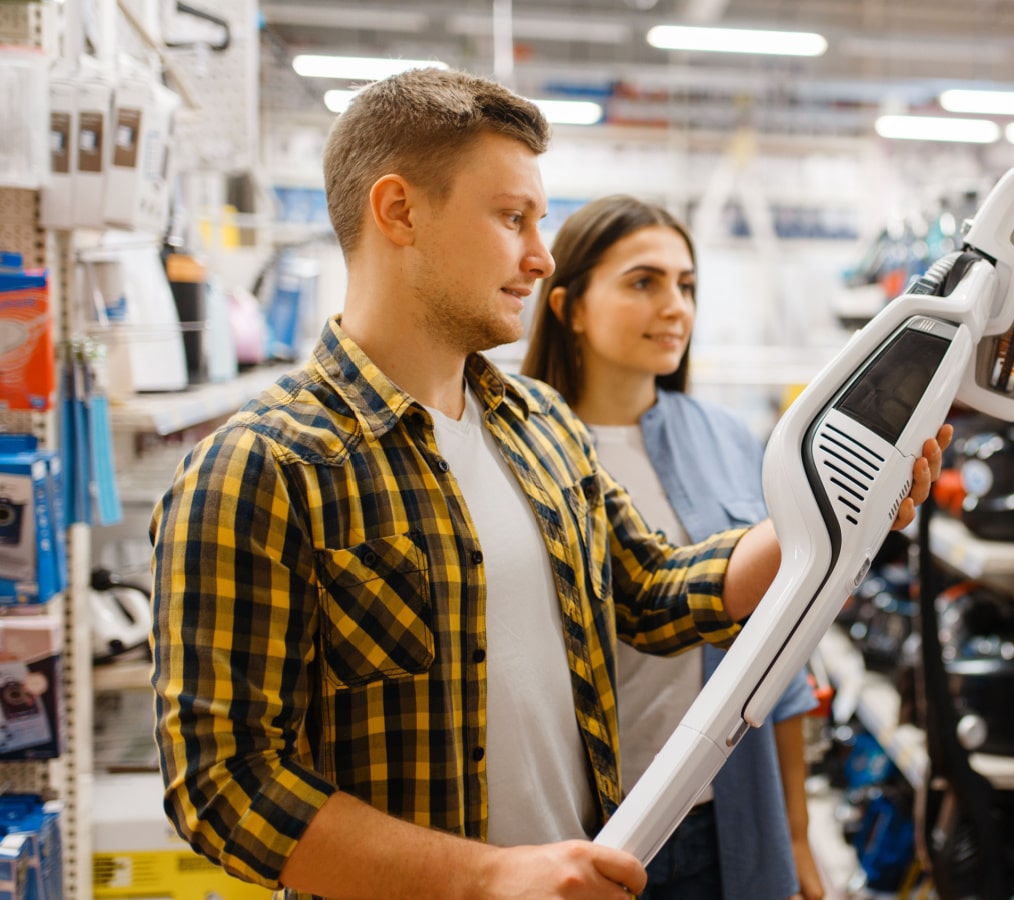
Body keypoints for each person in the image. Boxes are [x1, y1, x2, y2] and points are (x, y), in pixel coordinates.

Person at [149, 67, 947, 900]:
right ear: (398, 211)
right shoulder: (262, 469)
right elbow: (222, 785)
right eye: (511, 218)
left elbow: (649, 592)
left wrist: (832, 512)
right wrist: (486, 879)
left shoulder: (540, 426)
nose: (540, 255)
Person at [522, 195, 824, 900]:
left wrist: (799, 837)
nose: (675, 307)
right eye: (643, 282)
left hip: (720, 819)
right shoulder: (520, 445)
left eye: (685, 285)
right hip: (576, 833)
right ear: (569, 306)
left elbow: (780, 659)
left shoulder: (728, 442)